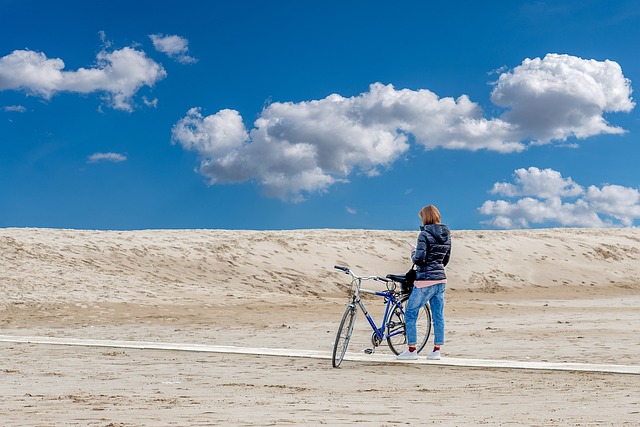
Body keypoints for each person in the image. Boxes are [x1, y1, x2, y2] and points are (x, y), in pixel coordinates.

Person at [397, 205, 451, 361]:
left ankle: (412, 350)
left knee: (411, 313)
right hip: (441, 279)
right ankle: (436, 350)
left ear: (425, 217)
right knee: (438, 316)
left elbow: (420, 259)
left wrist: (413, 253)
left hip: (425, 280)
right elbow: (445, 259)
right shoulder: (447, 234)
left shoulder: (424, 235)